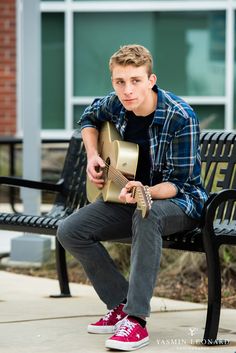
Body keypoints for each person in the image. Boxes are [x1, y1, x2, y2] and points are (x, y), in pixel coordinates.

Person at [57, 44, 208, 351]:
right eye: (119, 82)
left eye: (135, 80)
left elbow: (181, 184)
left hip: (179, 202)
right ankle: (121, 303)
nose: (127, 90)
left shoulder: (180, 117)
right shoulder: (115, 104)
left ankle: (136, 322)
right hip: (126, 197)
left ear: (151, 80)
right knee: (71, 230)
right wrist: (93, 155)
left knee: (147, 213)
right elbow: (88, 117)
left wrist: (146, 191)